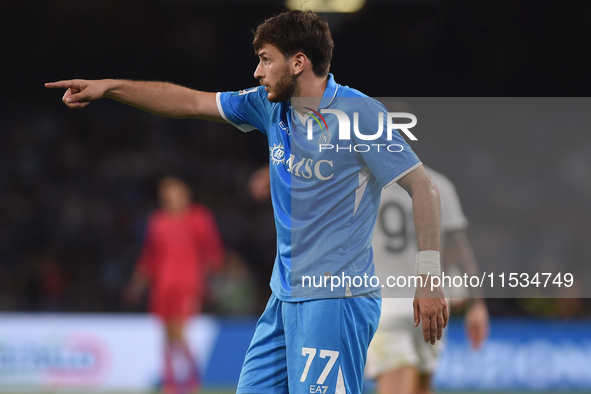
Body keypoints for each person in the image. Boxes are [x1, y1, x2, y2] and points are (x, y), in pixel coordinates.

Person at [46, 10, 447, 394]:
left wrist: (428, 276)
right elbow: (189, 102)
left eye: (265, 60)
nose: (257, 71)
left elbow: (423, 188)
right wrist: (109, 88)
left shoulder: (359, 114)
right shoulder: (268, 105)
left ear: (298, 62)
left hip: (334, 300)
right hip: (283, 298)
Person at [366, 167, 489, 394]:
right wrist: (477, 304)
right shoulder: (438, 183)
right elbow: (458, 249)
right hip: (430, 306)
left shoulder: (361, 184)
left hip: (383, 306)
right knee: (421, 387)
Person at [125, 176, 225, 394]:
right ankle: (170, 382)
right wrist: (138, 283)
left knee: (179, 331)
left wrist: (213, 280)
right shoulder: (158, 221)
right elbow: (150, 256)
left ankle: (191, 380)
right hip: (163, 285)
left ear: (185, 193)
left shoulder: (199, 218)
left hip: (188, 283)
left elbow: (212, 250)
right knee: (166, 333)